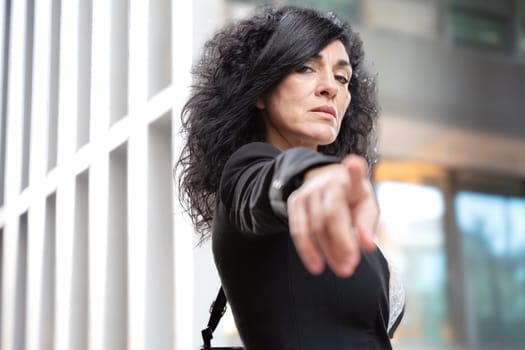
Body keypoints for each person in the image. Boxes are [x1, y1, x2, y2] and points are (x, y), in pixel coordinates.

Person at [177, 5, 404, 350]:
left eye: (342, 78)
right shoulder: (247, 169)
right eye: (305, 68)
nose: (329, 86)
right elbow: (269, 185)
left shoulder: (336, 208)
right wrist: (311, 176)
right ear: (260, 91)